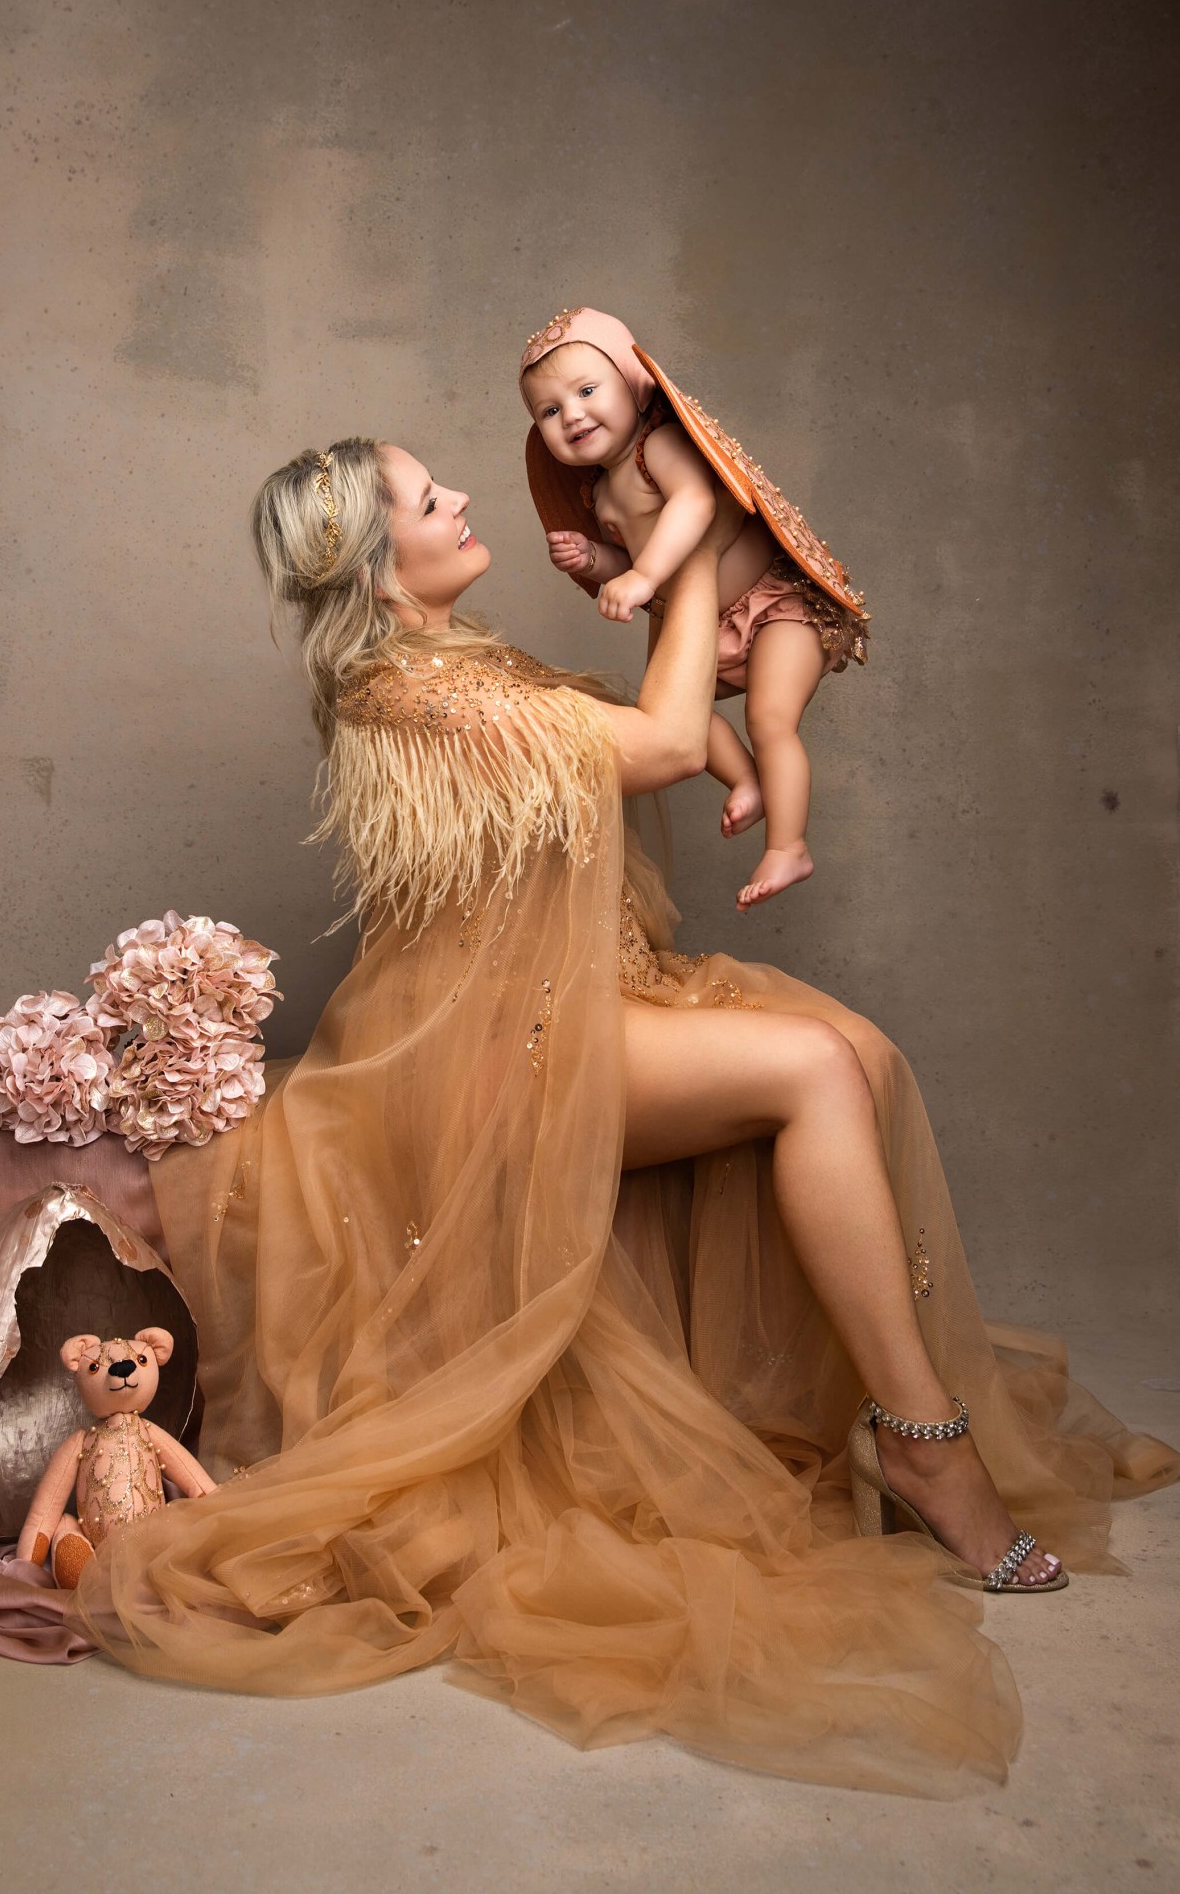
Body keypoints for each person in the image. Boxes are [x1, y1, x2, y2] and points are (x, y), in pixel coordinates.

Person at [70, 435, 1176, 1795]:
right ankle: (924, 1444)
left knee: (856, 1054)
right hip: (477, 1054)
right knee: (813, 1075)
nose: (462, 499)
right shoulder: (402, 688)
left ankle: (884, 1409)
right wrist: (692, 524)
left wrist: (736, 656)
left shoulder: (471, 664)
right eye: (427, 500)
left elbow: (674, 725)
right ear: (373, 560)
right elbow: (649, 745)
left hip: (574, 1003)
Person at [520, 306, 868, 911]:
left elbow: (697, 505)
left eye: (586, 390)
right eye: (549, 411)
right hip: (706, 619)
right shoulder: (599, 492)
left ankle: (789, 846)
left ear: (634, 384)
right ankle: (746, 782)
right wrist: (594, 560)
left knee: (768, 718)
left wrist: (642, 575)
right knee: (675, 712)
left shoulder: (661, 446)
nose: (571, 414)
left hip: (776, 601)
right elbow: (624, 554)